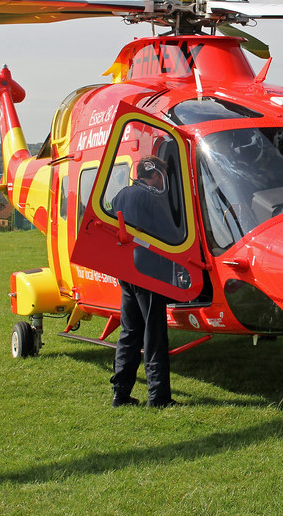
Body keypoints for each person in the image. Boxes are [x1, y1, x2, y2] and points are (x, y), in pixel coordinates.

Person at [109, 155, 178, 408]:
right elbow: (172, 234)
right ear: (157, 175)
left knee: (129, 333)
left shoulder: (121, 195)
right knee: (154, 335)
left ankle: (121, 393)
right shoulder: (152, 198)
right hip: (149, 273)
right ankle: (158, 398)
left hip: (127, 272)